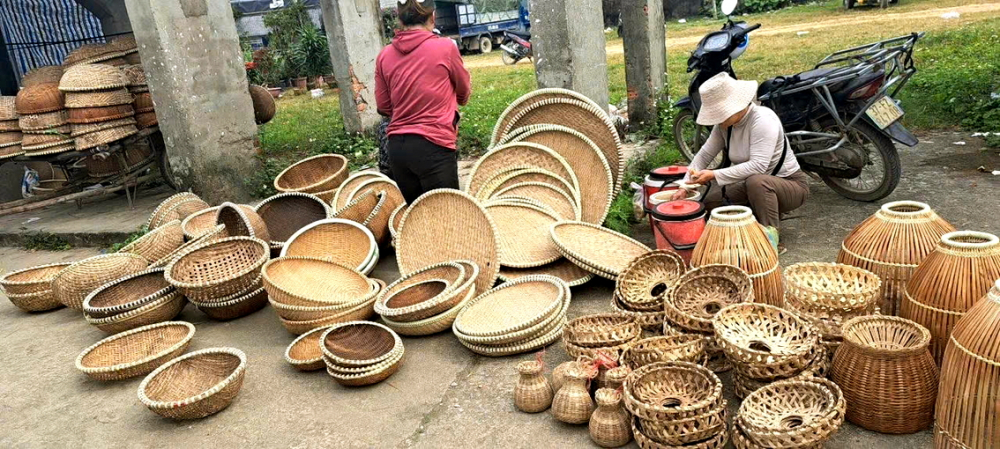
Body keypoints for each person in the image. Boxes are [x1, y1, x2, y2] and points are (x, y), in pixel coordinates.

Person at [673, 72, 809, 252]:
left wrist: (713, 174)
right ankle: (754, 218)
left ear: (735, 106)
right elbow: (705, 154)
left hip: (790, 185)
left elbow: (758, 165)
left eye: (719, 113)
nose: (716, 119)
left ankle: (770, 239)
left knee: (757, 182)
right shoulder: (725, 126)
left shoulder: (763, 119)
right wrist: (684, 185)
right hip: (749, 184)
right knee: (709, 203)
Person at [375, 0, 471, 204]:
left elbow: (383, 106)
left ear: (400, 20)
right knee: (447, 215)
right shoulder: (446, 47)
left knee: (418, 218)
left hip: (398, 151)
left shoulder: (384, 55)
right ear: (432, 17)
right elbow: (464, 93)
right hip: (435, 146)